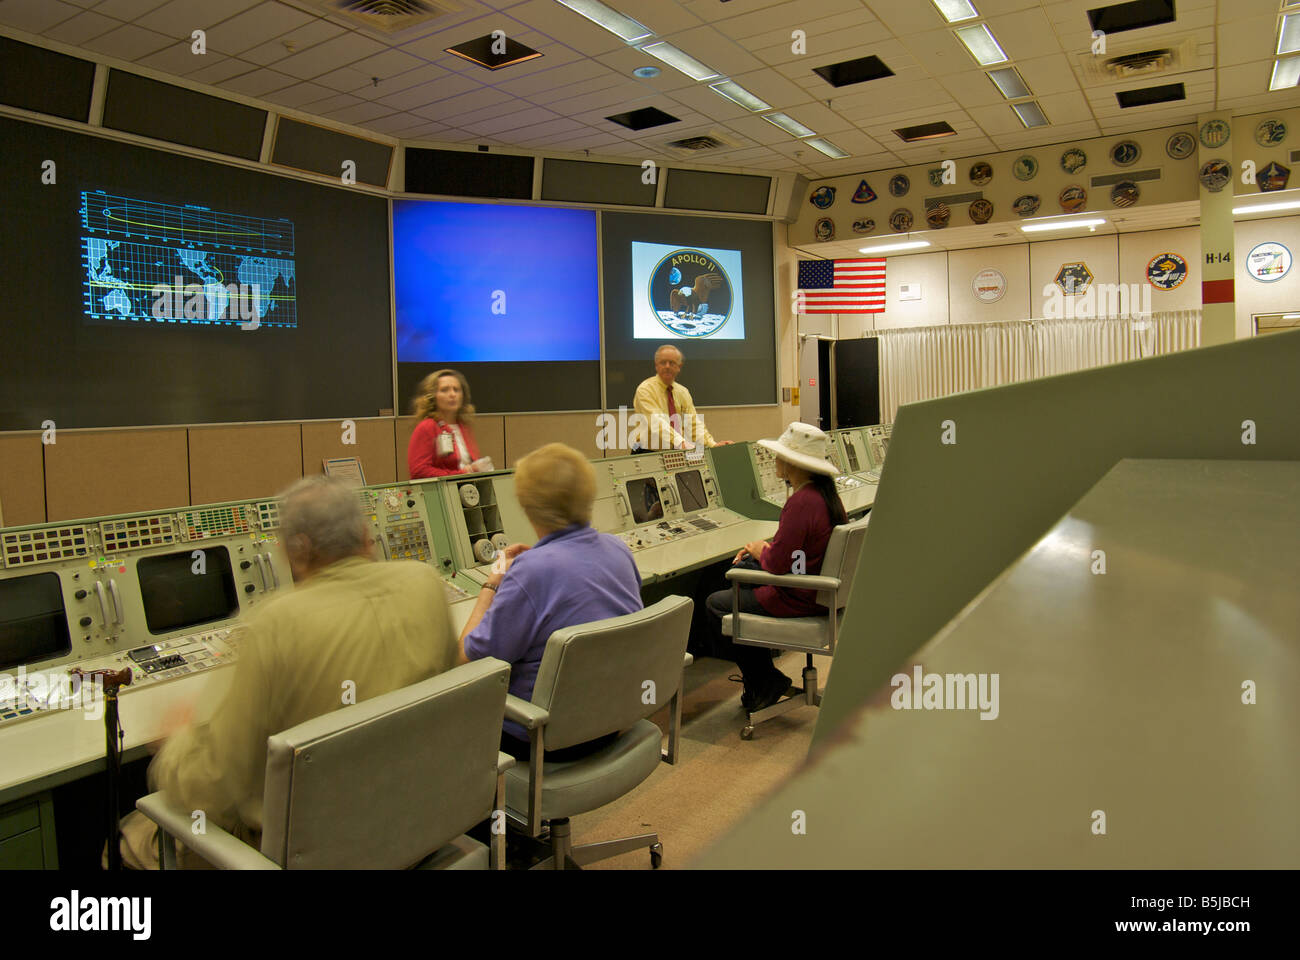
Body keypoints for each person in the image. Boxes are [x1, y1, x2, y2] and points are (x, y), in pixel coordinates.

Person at [117, 476, 459, 868]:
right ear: (366, 533)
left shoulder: (275, 624)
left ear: (298, 550)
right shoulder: (425, 584)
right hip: (419, 825)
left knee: (132, 835)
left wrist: (175, 744)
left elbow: (212, 783)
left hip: (314, 852)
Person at [459, 443, 642, 761]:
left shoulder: (530, 572)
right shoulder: (619, 550)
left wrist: (492, 584)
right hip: (610, 719)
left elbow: (469, 659)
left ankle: (478, 810)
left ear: (529, 507)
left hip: (545, 735)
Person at [703, 423, 847, 712]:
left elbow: (780, 565)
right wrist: (760, 552)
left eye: (779, 455)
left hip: (798, 595)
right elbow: (794, 553)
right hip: (817, 591)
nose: (774, 460)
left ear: (794, 463)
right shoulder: (824, 497)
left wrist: (760, 549)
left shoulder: (801, 502)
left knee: (717, 602)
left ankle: (764, 679)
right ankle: (763, 679)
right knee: (746, 567)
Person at [632, 345, 731, 451]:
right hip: (646, 452)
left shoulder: (682, 392)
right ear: (656, 365)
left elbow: (694, 423)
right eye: (663, 362)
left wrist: (713, 444)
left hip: (675, 453)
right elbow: (656, 422)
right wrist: (681, 442)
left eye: (672, 363)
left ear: (679, 366)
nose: (667, 366)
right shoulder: (645, 389)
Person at [408, 368, 492, 478]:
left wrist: (477, 468)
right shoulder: (427, 427)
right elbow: (419, 471)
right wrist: (461, 474)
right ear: (432, 397)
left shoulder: (463, 426)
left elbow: (465, 465)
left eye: (456, 390)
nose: (452, 394)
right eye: (444, 390)